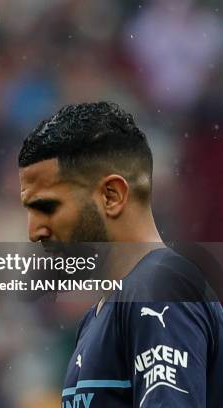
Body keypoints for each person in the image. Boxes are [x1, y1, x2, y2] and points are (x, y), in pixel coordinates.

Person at [17, 102, 222, 407]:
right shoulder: (100, 315)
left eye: (47, 207)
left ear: (111, 196)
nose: (35, 232)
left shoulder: (158, 289)